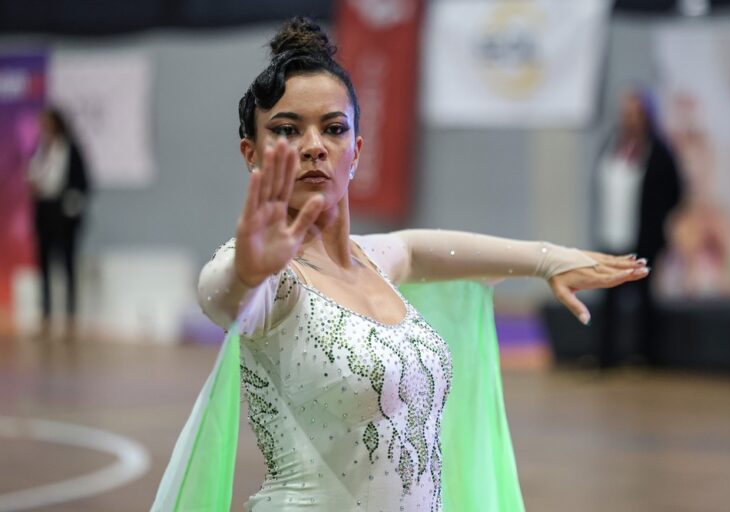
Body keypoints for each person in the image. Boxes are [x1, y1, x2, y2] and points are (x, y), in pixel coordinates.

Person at [154, 17, 649, 511]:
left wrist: (548, 260)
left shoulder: (377, 260)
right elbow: (222, 297)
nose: (314, 146)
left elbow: (420, 248)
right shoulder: (274, 282)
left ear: (356, 151)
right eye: (287, 130)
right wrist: (247, 270)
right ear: (252, 153)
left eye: (333, 128)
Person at [595, 89, 682, 369]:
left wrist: (657, 220)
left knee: (644, 297)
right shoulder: (613, 145)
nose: (630, 119)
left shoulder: (658, 151)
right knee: (609, 295)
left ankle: (645, 354)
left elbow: (674, 191)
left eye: (635, 114)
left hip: (643, 236)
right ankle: (606, 355)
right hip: (612, 232)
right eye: (626, 114)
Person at [26, 107, 90, 339]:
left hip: (63, 213)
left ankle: (70, 320)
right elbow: (34, 175)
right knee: (44, 265)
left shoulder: (70, 149)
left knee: (67, 266)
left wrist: (71, 206)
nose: (44, 127)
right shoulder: (41, 149)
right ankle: (46, 317)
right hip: (44, 210)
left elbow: (83, 183)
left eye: (48, 122)